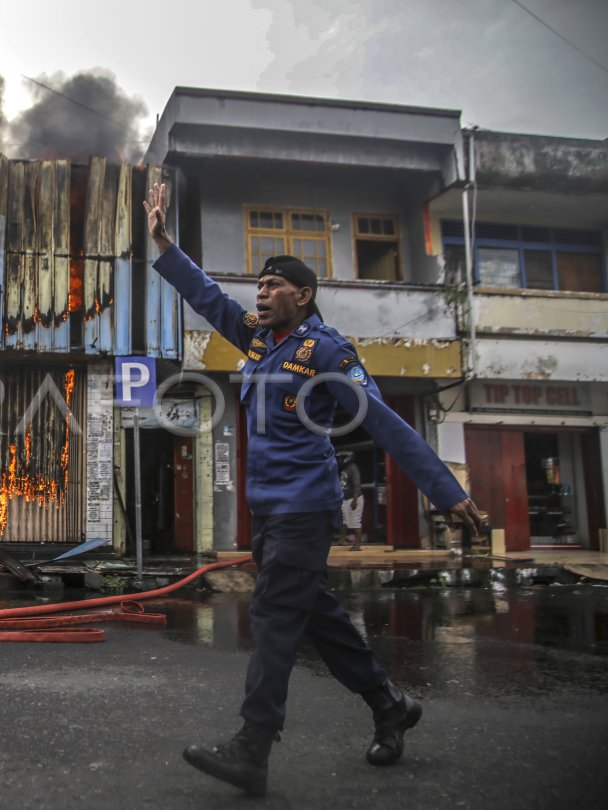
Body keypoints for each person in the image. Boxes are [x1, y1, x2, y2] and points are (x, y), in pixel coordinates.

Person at [142, 182, 483, 797]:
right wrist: (165, 243)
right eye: (260, 286)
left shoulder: (326, 350)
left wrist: (443, 489)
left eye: (274, 286)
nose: (261, 293)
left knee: (274, 614)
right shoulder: (259, 341)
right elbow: (208, 297)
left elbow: (385, 421)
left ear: (304, 295)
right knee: (316, 617)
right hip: (270, 511)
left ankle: (253, 746)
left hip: (307, 507)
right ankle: (389, 704)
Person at [337, 451, 364, 549]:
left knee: (356, 522)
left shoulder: (353, 468)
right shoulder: (343, 469)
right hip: (344, 499)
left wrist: (355, 500)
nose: (339, 460)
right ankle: (342, 540)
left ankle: (357, 545)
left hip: (353, 498)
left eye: (341, 458)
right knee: (343, 521)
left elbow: (357, 484)